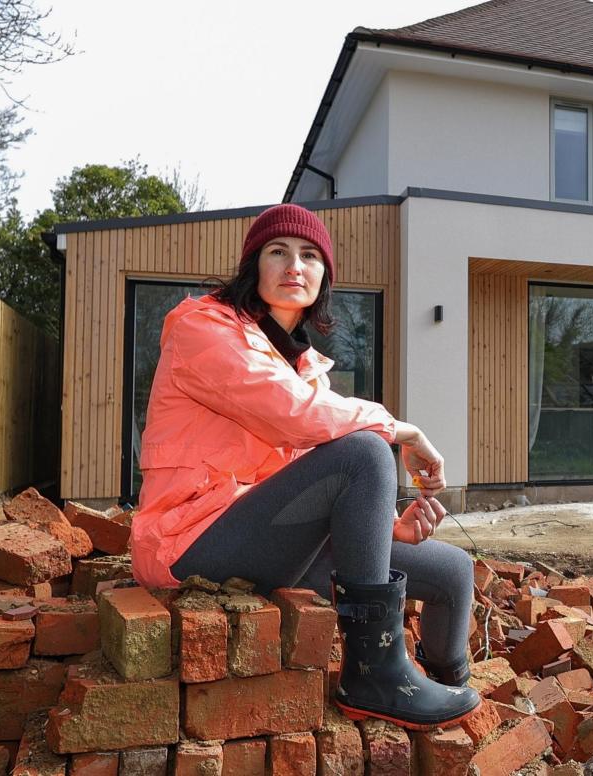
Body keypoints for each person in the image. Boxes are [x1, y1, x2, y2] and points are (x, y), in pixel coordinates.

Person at [130, 203, 480, 729]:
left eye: (310, 255)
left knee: (454, 572)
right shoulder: (202, 328)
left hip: (262, 537)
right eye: (278, 252)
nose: (295, 265)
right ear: (254, 265)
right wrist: (400, 428)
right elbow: (291, 417)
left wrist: (388, 529)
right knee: (365, 449)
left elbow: (300, 484)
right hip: (191, 541)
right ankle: (374, 675)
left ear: (324, 277)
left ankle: (447, 693)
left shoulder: (303, 367)